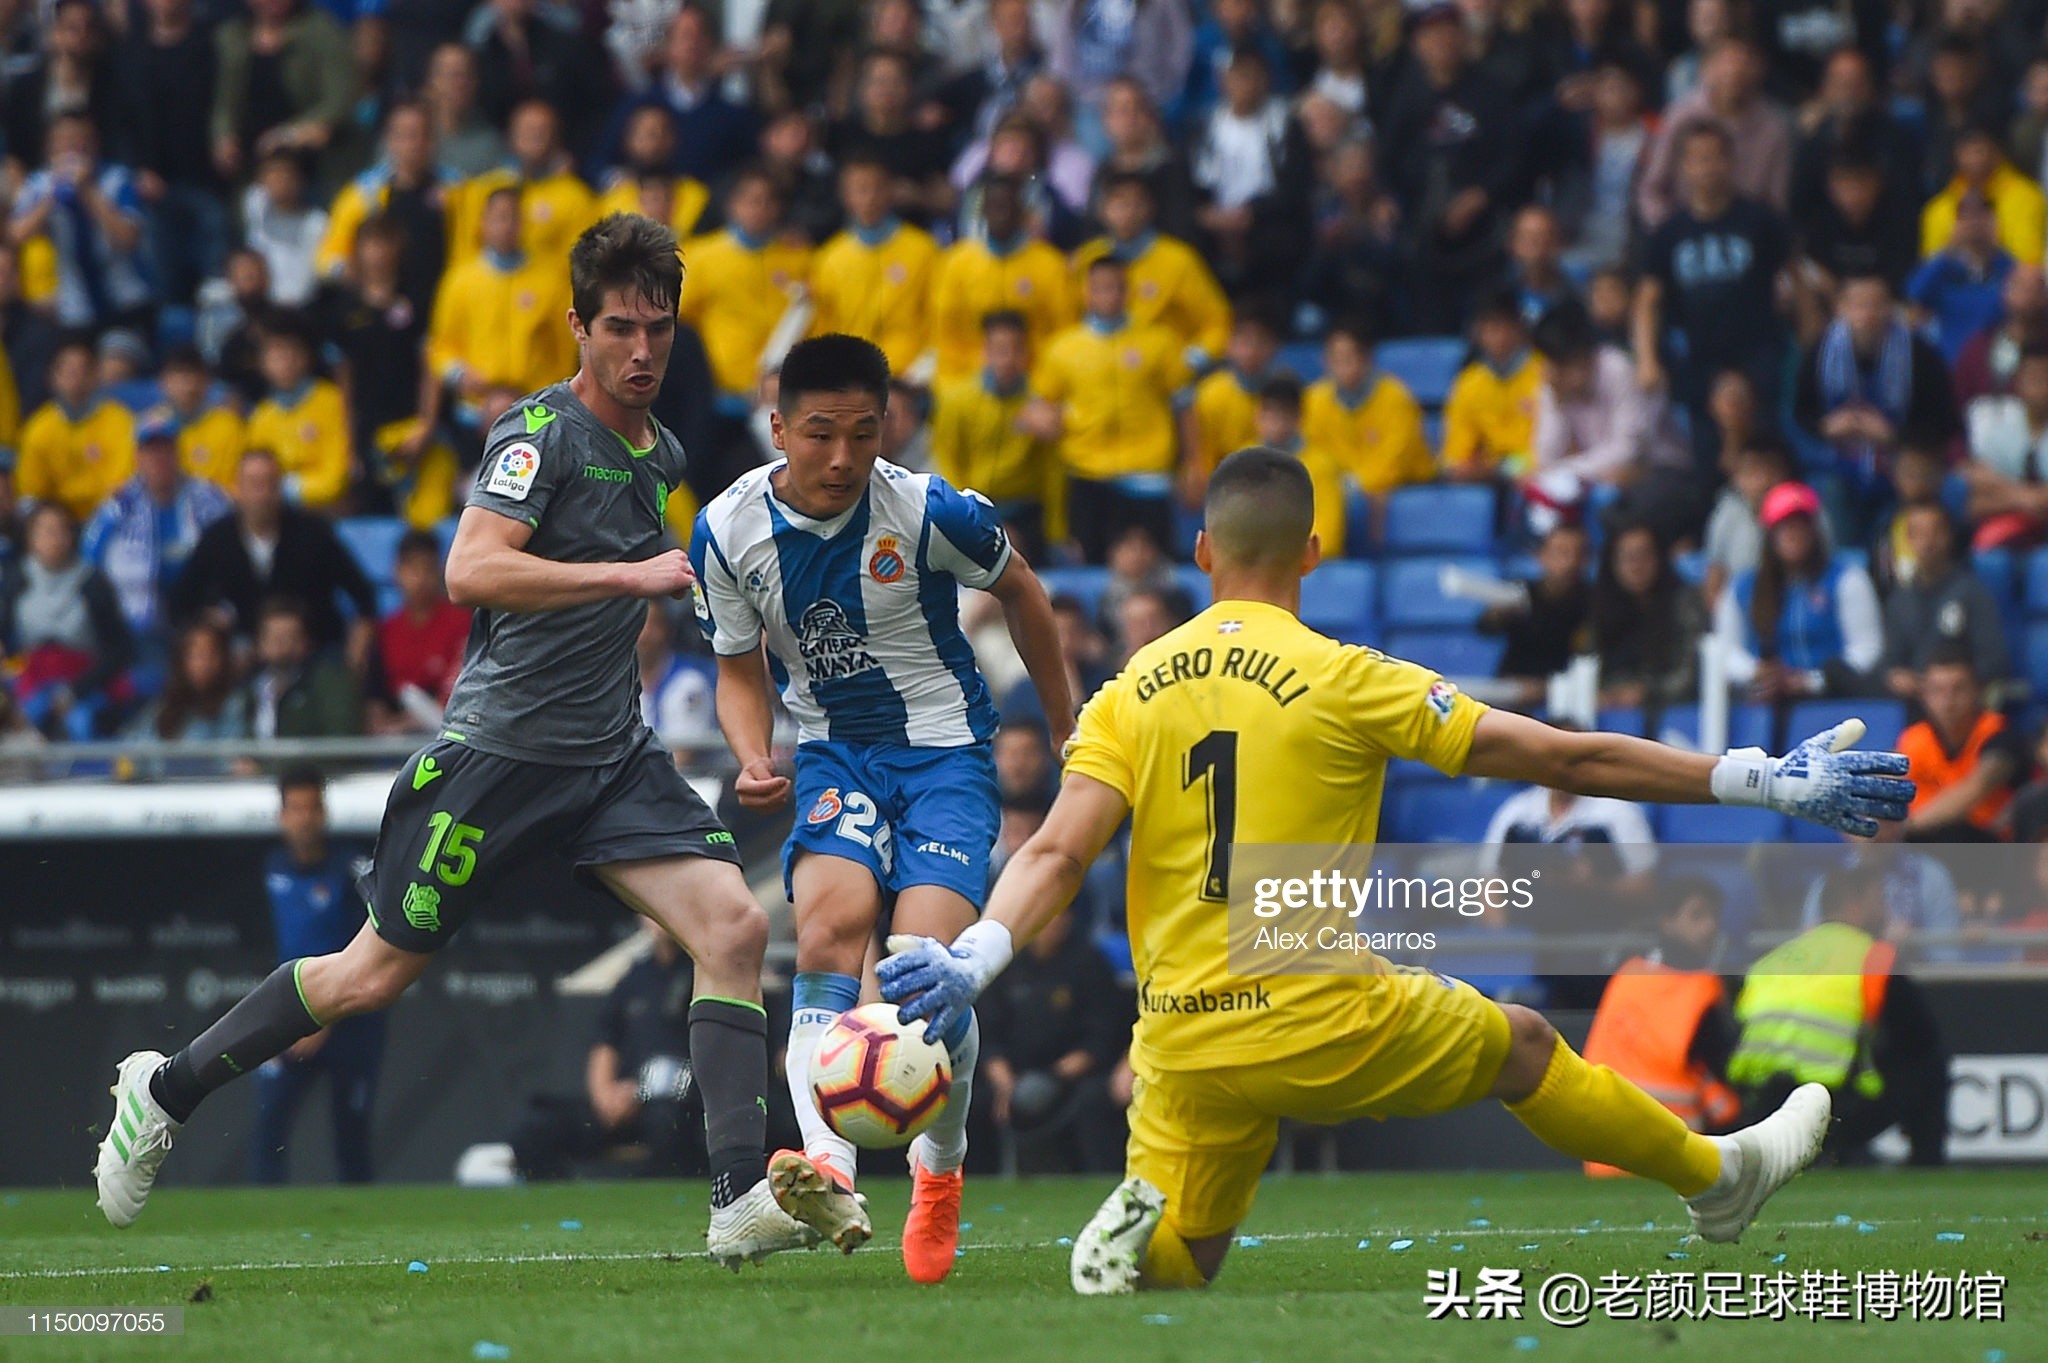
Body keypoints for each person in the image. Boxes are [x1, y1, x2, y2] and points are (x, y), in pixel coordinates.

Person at [878, 446, 1912, 1294]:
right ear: (1314, 552)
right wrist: (1758, 778)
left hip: (1182, 1037)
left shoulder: (1129, 689)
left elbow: (1056, 848)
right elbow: (1565, 756)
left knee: (1185, 1265)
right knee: (1522, 1040)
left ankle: (1126, 1250)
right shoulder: (1347, 677)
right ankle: (1714, 1176)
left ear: (1198, 551)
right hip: (1316, 1012)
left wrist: (972, 961)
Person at [690, 332, 1073, 1284]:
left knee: (921, 973)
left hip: (945, 754)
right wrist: (749, 753)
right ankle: (830, 1167)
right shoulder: (728, 530)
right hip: (832, 754)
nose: (841, 457)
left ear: (887, 428)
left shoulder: (930, 510)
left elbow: (1022, 588)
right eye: (819, 433)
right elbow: (738, 671)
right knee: (826, 934)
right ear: (779, 427)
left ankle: (937, 1173)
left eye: (863, 433)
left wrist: (1069, 727)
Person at [1730, 863, 1947, 1166]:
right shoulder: (1875, 956)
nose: (1886, 911)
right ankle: (1925, 1165)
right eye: (1879, 900)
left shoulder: (1774, 958)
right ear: (1854, 903)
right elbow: (1919, 1037)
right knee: (1929, 1062)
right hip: (1827, 1108)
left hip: (1758, 1107)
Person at [249, 766, 385, 1185]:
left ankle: (365, 1240)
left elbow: (365, 949)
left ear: (324, 813)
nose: (305, 818)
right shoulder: (273, 867)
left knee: (351, 1137)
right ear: (282, 816)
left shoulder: (352, 868)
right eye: (296, 809)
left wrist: (325, 1018)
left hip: (350, 1021)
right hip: (294, 1019)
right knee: (267, 1130)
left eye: (313, 808)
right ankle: (266, 1235)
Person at [510, 917, 711, 1181]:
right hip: (620, 1104)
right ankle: (564, 1206)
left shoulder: (706, 975)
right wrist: (605, 1096)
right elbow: (605, 1041)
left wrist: (640, 1092)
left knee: (669, 1125)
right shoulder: (635, 978)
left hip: (678, 1107)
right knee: (534, 1129)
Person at [1022, 256, 1192, 563]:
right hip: (1087, 473)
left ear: (1129, 291)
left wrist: (1193, 461)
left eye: (1116, 288)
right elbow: (1039, 404)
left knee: (1154, 565)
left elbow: (1184, 407)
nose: (1109, 296)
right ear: (1086, 292)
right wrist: (1040, 418)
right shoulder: (1062, 348)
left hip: (1148, 474)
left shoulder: (1160, 342)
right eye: (1100, 288)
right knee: (1091, 564)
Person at [1580, 876, 1741, 1177]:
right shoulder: (1703, 988)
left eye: (1713, 917)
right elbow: (1717, 1070)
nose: (1709, 927)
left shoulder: (1628, 973)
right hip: (1673, 1154)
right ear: (1667, 921)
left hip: (1602, 1153)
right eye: (1697, 915)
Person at [976, 888, 1131, 1175]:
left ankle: (1098, 1177)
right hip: (1010, 1072)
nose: (1053, 923)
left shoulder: (1090, 963)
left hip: (1071, 1074)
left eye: (1059, 915)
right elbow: (988, 1033)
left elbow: (1101, 1037)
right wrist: (1005, 1082)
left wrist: (1055, 1075)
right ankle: (975, 1179)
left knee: (1092, 1100)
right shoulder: (1006, 964)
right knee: (972, 1102)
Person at [173, 448, 378, 660]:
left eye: (269, 483)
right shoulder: (217, 540)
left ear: (280, 488)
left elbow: (363, 595)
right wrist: (211, 622)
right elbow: (182, 604)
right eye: (254, 484)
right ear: (238, 489)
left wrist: (357, 650)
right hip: (245, 657)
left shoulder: (314, 533)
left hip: (314, 652)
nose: (262, 494)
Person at [424, 186, 579, 447]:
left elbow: (566, 348)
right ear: (483, 223)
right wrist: (459, 373)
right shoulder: (460, 282)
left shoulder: (551, 281)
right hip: (475, 411)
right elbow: (440, 346)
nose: (506, 226)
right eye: (498, 218)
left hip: (537, 410)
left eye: (513, 218)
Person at [80, 407, 233, 667]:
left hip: (203, 620)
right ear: (138, 456)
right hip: (137, 627)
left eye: (166, 449)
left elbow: (236, 556)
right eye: (151, 450)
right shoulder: (117, 507)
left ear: (177, 453)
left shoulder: (210, 498)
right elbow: (87, 565)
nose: (159, 458)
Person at [1713, 481, 1882, 701]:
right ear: (1770, 534)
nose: (1793, 534)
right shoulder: (1742, 587)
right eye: (1784, 526)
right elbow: (1725, 652)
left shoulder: (1847, 579)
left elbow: (1867, 649)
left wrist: (1814, 681)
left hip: (1834, 698)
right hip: (1765, 700)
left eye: (1800, 525)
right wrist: (1755, 671)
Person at [929, 311, 1060, 563]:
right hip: (971, 509)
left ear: (1027, 354)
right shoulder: (957, 401)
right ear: (985, 351)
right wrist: (964, 513)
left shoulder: (1038, 405)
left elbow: (1051, 475)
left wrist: (1057, 532)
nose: (1008, 359)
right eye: (1000, 350)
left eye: (1016, 350)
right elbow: (948, 460)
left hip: (1025, 512)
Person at [9, 113, 156, 333]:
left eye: (80, 140)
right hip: (74, 311)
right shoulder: (38, 184)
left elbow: (128, 239)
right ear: (50, 146)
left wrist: (87, 190)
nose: (72, 147)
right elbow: (16, 236)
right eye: (64, 140)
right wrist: (52, 197)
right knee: (73, 365)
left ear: (94, 143)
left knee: (116, 364)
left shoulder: (117, 179)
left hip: (127, 303)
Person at [1, 500, 134, 739]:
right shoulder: (15, 581)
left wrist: (75, 692)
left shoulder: (93, 583)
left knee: (80, 723)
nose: (55, 539)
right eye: (46, 531)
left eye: (62, 530)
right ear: (31, 538)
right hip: (30, 681)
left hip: (84, 682)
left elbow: (118, 648)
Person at [1070, 172, 1231, 369]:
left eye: (1137, 204)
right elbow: (1073, 319)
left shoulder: (1178, 259)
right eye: (1120, 204)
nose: (1129, 213)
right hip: (1101, 371)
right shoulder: (1088, 258)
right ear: (1102, 210)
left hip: (1164, 374)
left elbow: (1217, 320)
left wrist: (1192, 359)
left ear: (1151, 208)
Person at [677, 169, 810, 403]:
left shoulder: (798, 258)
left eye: (769, 201)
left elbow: (808, 318)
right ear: (733, 205)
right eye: (752, 201)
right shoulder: (701, 257)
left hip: (779, 392)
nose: (760, 209)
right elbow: (680, 320)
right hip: (718, 390)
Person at [927, 175, 1074, 387]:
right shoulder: (957, 263)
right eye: (994, 207)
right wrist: (970, 383)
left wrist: (1040, 384)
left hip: (1035, 382)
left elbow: (1064, 334)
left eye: (1007, 206)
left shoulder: (1050, 264)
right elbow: (946, 336)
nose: (1001, 215)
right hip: (970, 381)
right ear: (983, 212)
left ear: (1022, 213)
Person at [807, 158, 938, 377]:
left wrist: (917, 374)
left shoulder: (923, 250)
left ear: (891, 191)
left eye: (878, 188)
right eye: (861, 189)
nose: (870, 198)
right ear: (846, 197)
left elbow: (936, 320)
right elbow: (823, 328)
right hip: (849, 379)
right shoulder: (829, 258)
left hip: (906, 377)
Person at [1301, 315, 1434, 515]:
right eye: (1335, 359)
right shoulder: (1313, 400)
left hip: (1404, 487)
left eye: (1349, 358)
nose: (1342, 367)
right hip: (1339, 490)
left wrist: (1358, 484)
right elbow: (1311, 451)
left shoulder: (1396, 398)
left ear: (1367, 358)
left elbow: (1395, 459)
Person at [1879, 506, 2012, 698]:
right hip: (1913, 701)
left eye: (1935, 532)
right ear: (1909, 540)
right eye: (1919, 534)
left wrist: (1950, 683)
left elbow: (1993, 661)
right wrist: (1895, 677)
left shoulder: (1972, 592)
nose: (1928, 542)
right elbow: (1890, 662)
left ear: (1948, 536)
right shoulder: (1899, 600)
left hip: (1961, 699)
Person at [1897, 649, 2026, 842]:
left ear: (1978, 691)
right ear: (1924, 695)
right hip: (1926, 843)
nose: (1948, 701)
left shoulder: (2000, 736)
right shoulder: (1915, 738)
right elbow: (1882, 784)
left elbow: (1975, 788)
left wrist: (1901, 830)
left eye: (1958, 689)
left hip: (1991, 845)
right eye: (1938, 690)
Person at [15, 335, 137, 523]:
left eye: (83, 371)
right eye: (68, 371)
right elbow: (31, 494)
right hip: (58, 523)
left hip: (108, 518)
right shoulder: (38, 428)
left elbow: (124, 484)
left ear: (95, 375)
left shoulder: (119, 420)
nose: (76, 378)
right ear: (53, 377)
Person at [1588, 521, 1706, 709]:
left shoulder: (1685, 603)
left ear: (1660, 557)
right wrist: (1602, 694)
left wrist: (1648, 692)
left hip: (1675, 709)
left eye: (1644, 555)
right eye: (1627, 557)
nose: (1636, 565)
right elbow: (1587, 663)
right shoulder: (1599, 606)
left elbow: (1692, 673)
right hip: (1611, 710)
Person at [246, 313, 352, 512]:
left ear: (305, 357)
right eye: (275, 355)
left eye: (291, 352)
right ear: (263, 364)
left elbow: (337, 477)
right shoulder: (261, 416)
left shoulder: (331, 401)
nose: (284, 362)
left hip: (328, 513)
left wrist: (289, 488)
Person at [1481, 522, 1592, 707]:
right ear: (1542, 556)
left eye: (1578, 554)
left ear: (1586, 560)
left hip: (1568, 693)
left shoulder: (1593, 601)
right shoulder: (1520, 592)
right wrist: (1498, 614)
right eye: (1561, 552)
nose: (1569, 562)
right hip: (1515, 688)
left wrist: (1547, 688)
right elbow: (1485, 627)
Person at [1442, 289, 1542, 483]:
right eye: (1490, 328)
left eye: (1504, 326)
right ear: (1477, 332)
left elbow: (1551, 451)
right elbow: (1455, 455)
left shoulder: (1543, 373)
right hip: (1487, 478)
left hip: (1536, 472)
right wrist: (1465, 466)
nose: (1499, 336)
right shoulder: (1468, 382)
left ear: (1519, 327)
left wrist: (1501, 468)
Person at [377, 529, 469, 726]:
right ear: (397, 571)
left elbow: (459, 693)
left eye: (428, 568)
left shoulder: (462, 623)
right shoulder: (386, 631)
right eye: (412, 568)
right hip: (393, 740)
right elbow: (375, 700)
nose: (421, 578)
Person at [244, 595, 361, 738]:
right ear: (259, 643)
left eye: (289, 637)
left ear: (306, 641)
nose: (281, 646)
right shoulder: (249, 689)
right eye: (274, 638)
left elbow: (340, 738)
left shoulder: (331, 684)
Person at [129, 618, 248, 740]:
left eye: (211, 654)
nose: (204, 663)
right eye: (196, 655)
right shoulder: (162, 706)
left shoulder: (234, 704)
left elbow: (228, 754)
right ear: (182, 659)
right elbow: (130, 745)